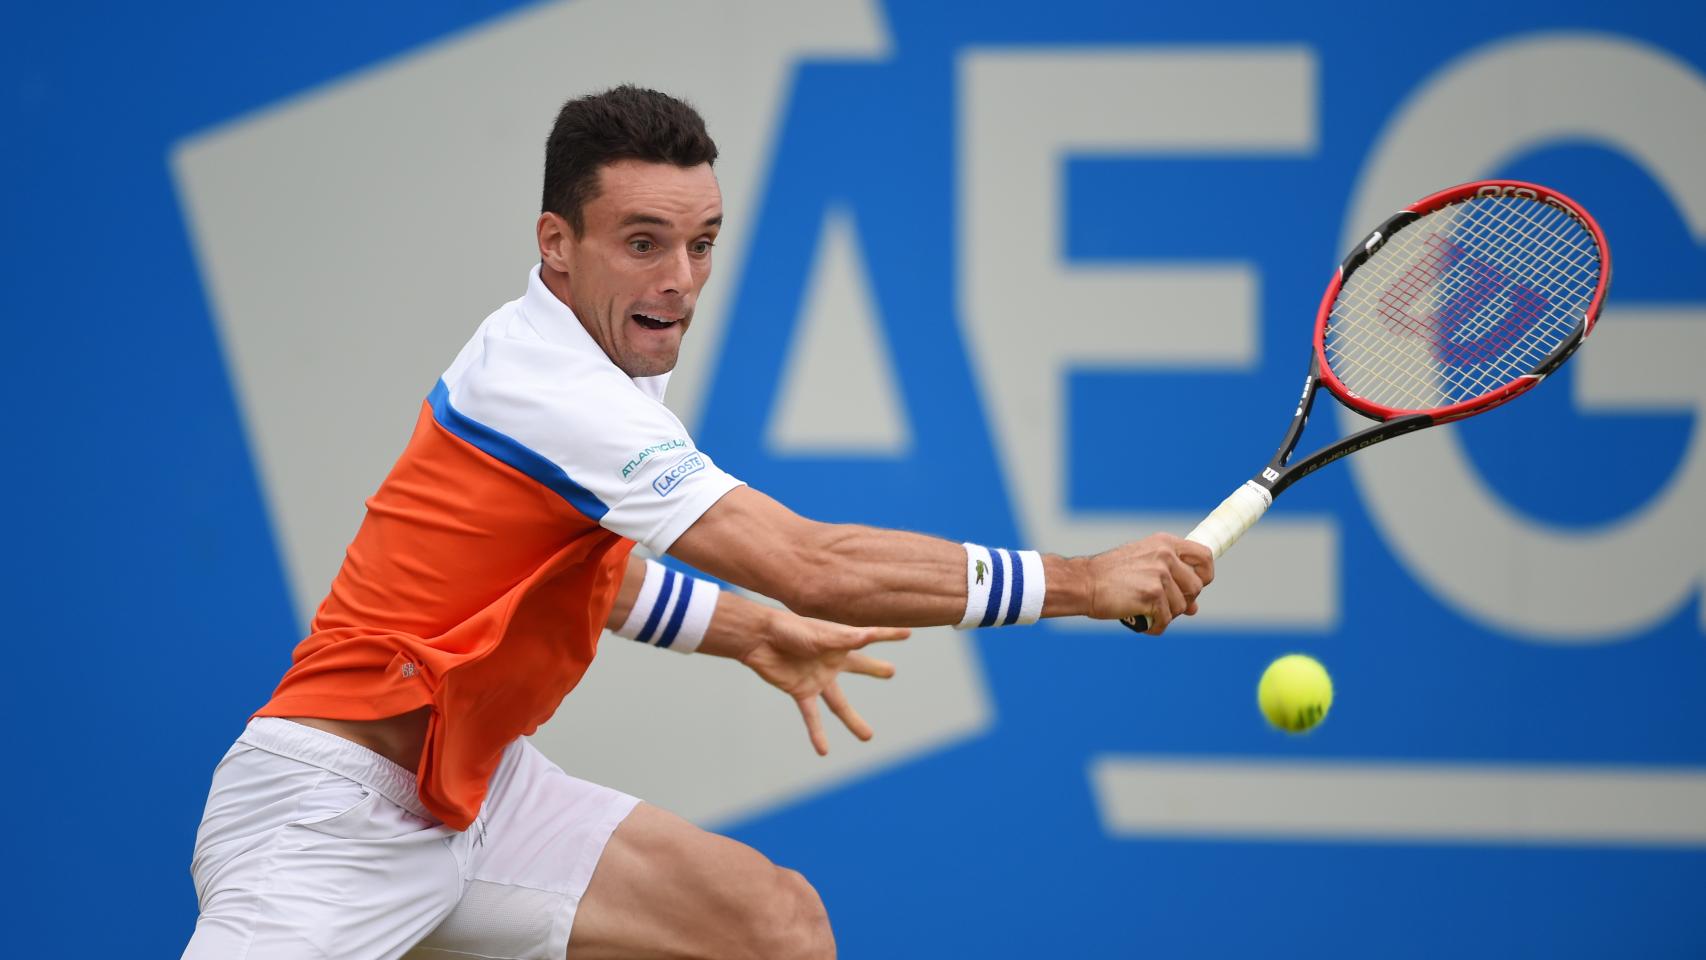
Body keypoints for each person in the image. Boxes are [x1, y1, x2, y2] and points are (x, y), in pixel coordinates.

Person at [183, 85, 1213, 960]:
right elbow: (811, 564)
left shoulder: (601, 362)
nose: (679, 279)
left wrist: (749, 631)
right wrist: (1082, 582)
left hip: (476, 795)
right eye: (643, 243)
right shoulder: (552, 387)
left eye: (702, 243)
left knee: (775, 926)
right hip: (327, 815)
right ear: (557, 244)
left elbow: (585, 573)